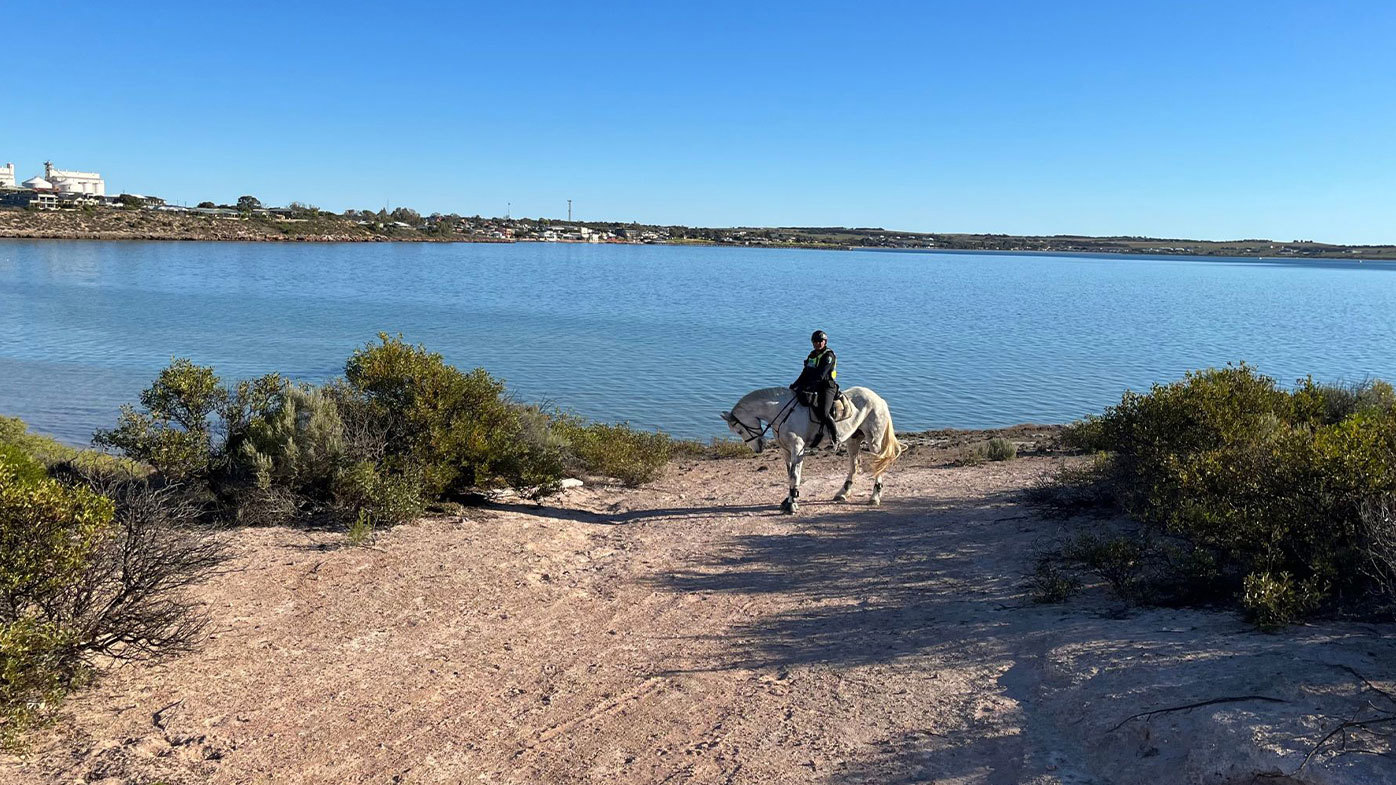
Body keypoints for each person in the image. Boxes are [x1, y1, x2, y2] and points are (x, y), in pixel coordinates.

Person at [790, 329, 839, 447]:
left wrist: (806, 386)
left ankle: (835, 437)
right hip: (814, 385)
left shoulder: (828, 356)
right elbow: (805, 372)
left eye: (820, 341)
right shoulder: (812, 355)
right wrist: (795, 385)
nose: (817, 343)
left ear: (825, 342)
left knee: (824, 412)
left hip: (827, 387)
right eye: (815, 341)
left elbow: (820, 375)